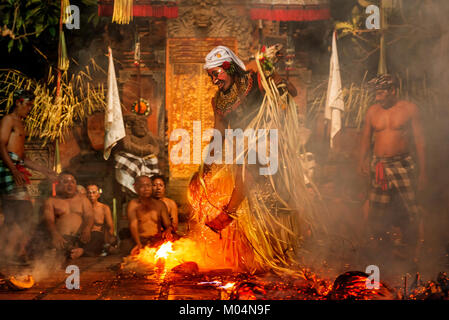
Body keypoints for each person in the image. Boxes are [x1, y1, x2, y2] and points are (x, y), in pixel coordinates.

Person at [188, 45, 320, 273]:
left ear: (229, 68)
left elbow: (290, 92)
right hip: (242, 153)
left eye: (216, 74)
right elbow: (219, 136)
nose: (214, 80)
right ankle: (255, 262)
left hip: (268, 145)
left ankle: (229, 213)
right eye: (210, 76)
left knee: (252, 161)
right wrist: (205, 168)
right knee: (253, 203)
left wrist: (270, 71)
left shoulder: (254, 80)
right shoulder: (218, 101)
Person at [358, 74, 426, 264]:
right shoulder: (372, 111)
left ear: (393, 91)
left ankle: (418, 251)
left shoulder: (410, 110)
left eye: (381, 93)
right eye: (376, 94)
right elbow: (365, 139)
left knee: (412, 209)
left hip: (403, 164)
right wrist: (361, 162)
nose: (378, 97)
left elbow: (420, 142)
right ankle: (376, 251)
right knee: (375, 209)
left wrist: (423, 173)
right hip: (379, 165)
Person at [0, 90, 56, 264]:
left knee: (17, 213)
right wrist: (13, 170)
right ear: (18, 102)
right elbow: (0, 145)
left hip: (16, 165)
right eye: (28, 104)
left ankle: (11, 253)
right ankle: (15, 252)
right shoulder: (8, 119)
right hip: (7, 167)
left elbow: (22, 156)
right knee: (22, 210)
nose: (30, 109)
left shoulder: (21, 123)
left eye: (32, 105)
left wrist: (43, 169)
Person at [41, 172, 94, 259]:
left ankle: (81, 251)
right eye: (66, 182)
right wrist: (55, 234)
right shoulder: (51, 201)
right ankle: (73, 251)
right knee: (45, 242)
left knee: (97, 236)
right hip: (63, 239)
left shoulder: (83, 200)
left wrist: (87, 229)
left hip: (81, 238)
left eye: (72, 182)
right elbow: (49, 220)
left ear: (76, 184)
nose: (70, 185)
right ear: (58, 184)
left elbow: (89, 216)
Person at [127, 175, 174, 255]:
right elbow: (133, 225)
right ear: (136, 189)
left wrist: (168, 231)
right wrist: (138, 244)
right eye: (142, 186)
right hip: (141, 241)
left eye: (148, 185)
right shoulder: (133, 204)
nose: (146, 189)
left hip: (157, 241)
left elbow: (168, 225)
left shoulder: (160, 204)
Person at [84, 184, 115, 256]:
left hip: (99, 238)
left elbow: (110, 227)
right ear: (86, 194)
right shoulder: (82, 208)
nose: (91, 195)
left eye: (94, 192)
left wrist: (109, 240)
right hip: (85, 238)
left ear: (98, 194)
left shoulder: (104, 208)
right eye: (89, 192)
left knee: (96, 235)